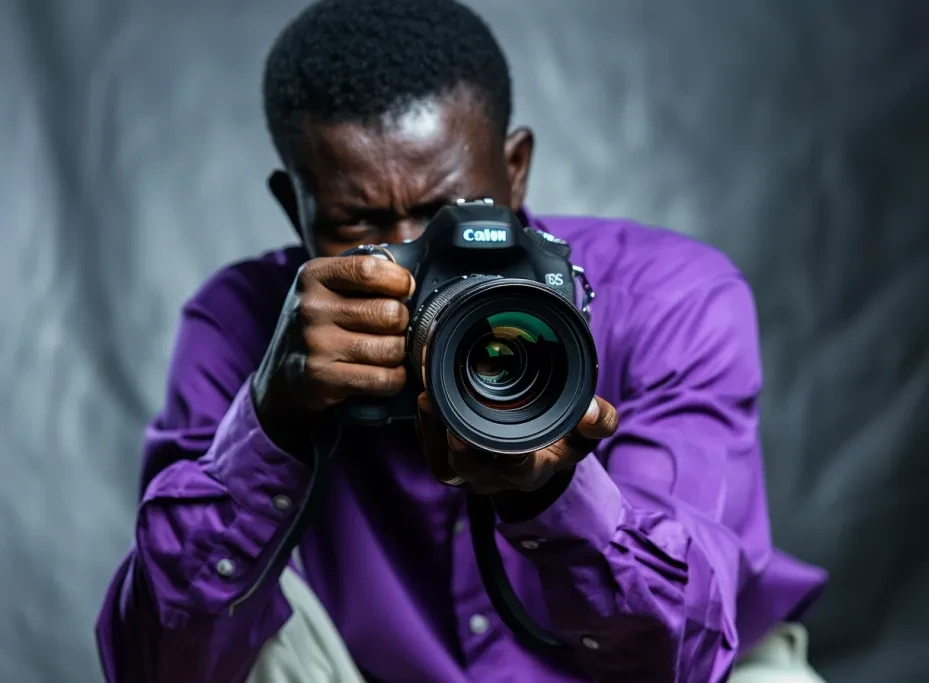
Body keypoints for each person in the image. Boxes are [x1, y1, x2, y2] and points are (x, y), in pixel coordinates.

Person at [95, 1, 828, 681]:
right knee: (244, 602)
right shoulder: (243, 322)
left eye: (448, 210)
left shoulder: (669, 301)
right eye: (358, 223)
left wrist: (558, 491)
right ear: (296, 206)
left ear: (513, 172)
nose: (416, 264)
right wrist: (271, 424)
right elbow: (156, 668)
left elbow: (687, 650)